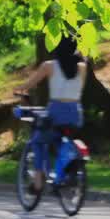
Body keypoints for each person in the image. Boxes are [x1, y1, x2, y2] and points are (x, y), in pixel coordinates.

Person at [15, 34, 87, 193]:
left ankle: (38, 181)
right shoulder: (82, 67)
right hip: (75, 112)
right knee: (62, 140)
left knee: (38, 141)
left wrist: (18, 90)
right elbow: (83, 58)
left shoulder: (49, 66)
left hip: (56, 111)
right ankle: (63, 173)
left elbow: (29, 84)